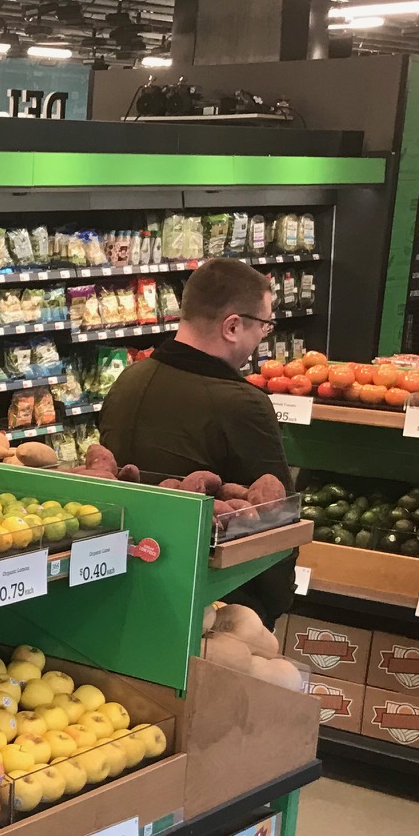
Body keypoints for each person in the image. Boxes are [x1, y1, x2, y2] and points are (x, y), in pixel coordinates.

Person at [98, 256, 294, 621]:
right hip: (207, 602)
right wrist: (271, 609)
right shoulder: (243, 403)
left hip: (120, 582)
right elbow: (273, 522)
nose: (262, 337)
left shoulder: (128, 379)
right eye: (264, 325)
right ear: (232, 326)